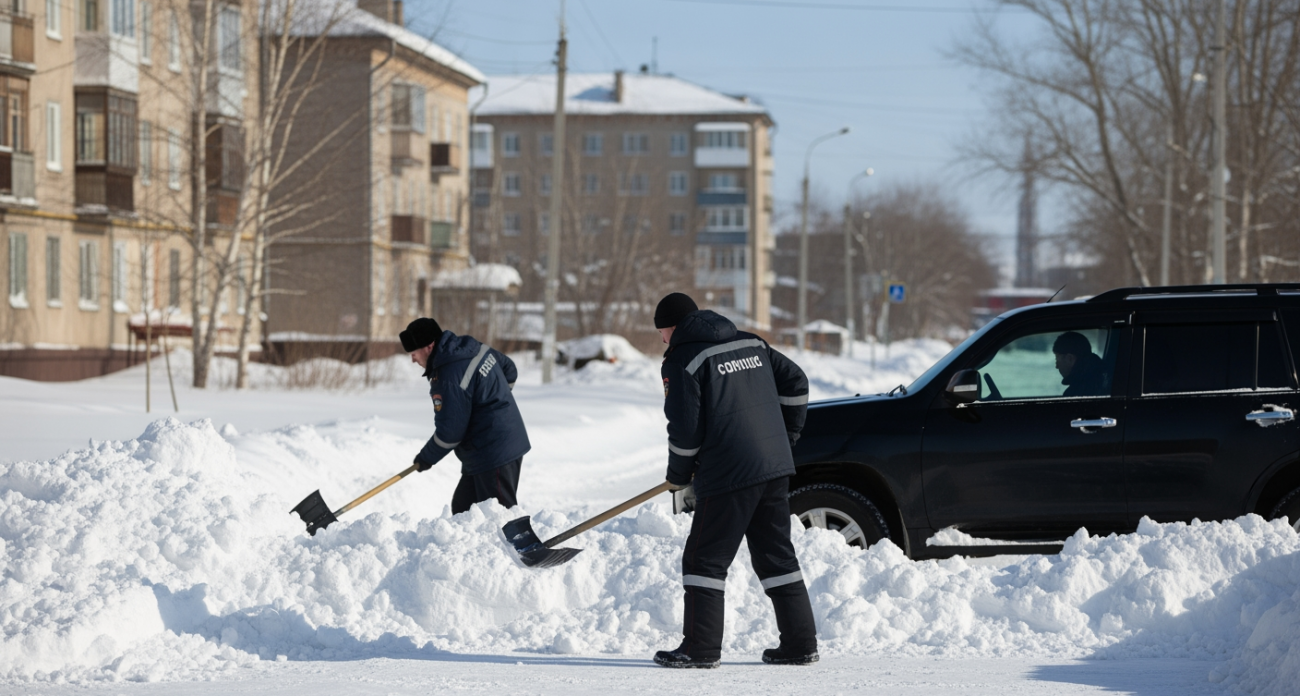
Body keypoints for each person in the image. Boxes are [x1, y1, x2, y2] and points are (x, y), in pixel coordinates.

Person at [651, 292, 818, 669]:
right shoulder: (750, 341)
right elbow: (797, 382)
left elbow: (685, 430)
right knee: (777, 556)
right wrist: (785, 438)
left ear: (673, 327)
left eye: (662, 332)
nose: (663, 340)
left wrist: (678, 475)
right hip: (773, 468)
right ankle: (800, 643)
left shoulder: (683, 360)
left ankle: (700, 649)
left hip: (728, 473)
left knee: (703, 560)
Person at [401, 317, 530, 514]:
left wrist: (425, 458)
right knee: (464, 509)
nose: (413, 359)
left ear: (429, 346)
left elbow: (450, 433)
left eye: (413, 353)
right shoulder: (470, 348)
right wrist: (494, 402)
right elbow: (509, 369)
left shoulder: (448, 377)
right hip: (484, 450)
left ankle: (522, 545)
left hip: (494, 449)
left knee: (499, 514)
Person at [1053, 331, 1107, 397]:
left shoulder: (1075, 393)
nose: (1057, 366)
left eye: (1057, 360)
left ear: (1070, 359)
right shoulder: (1101, 378)